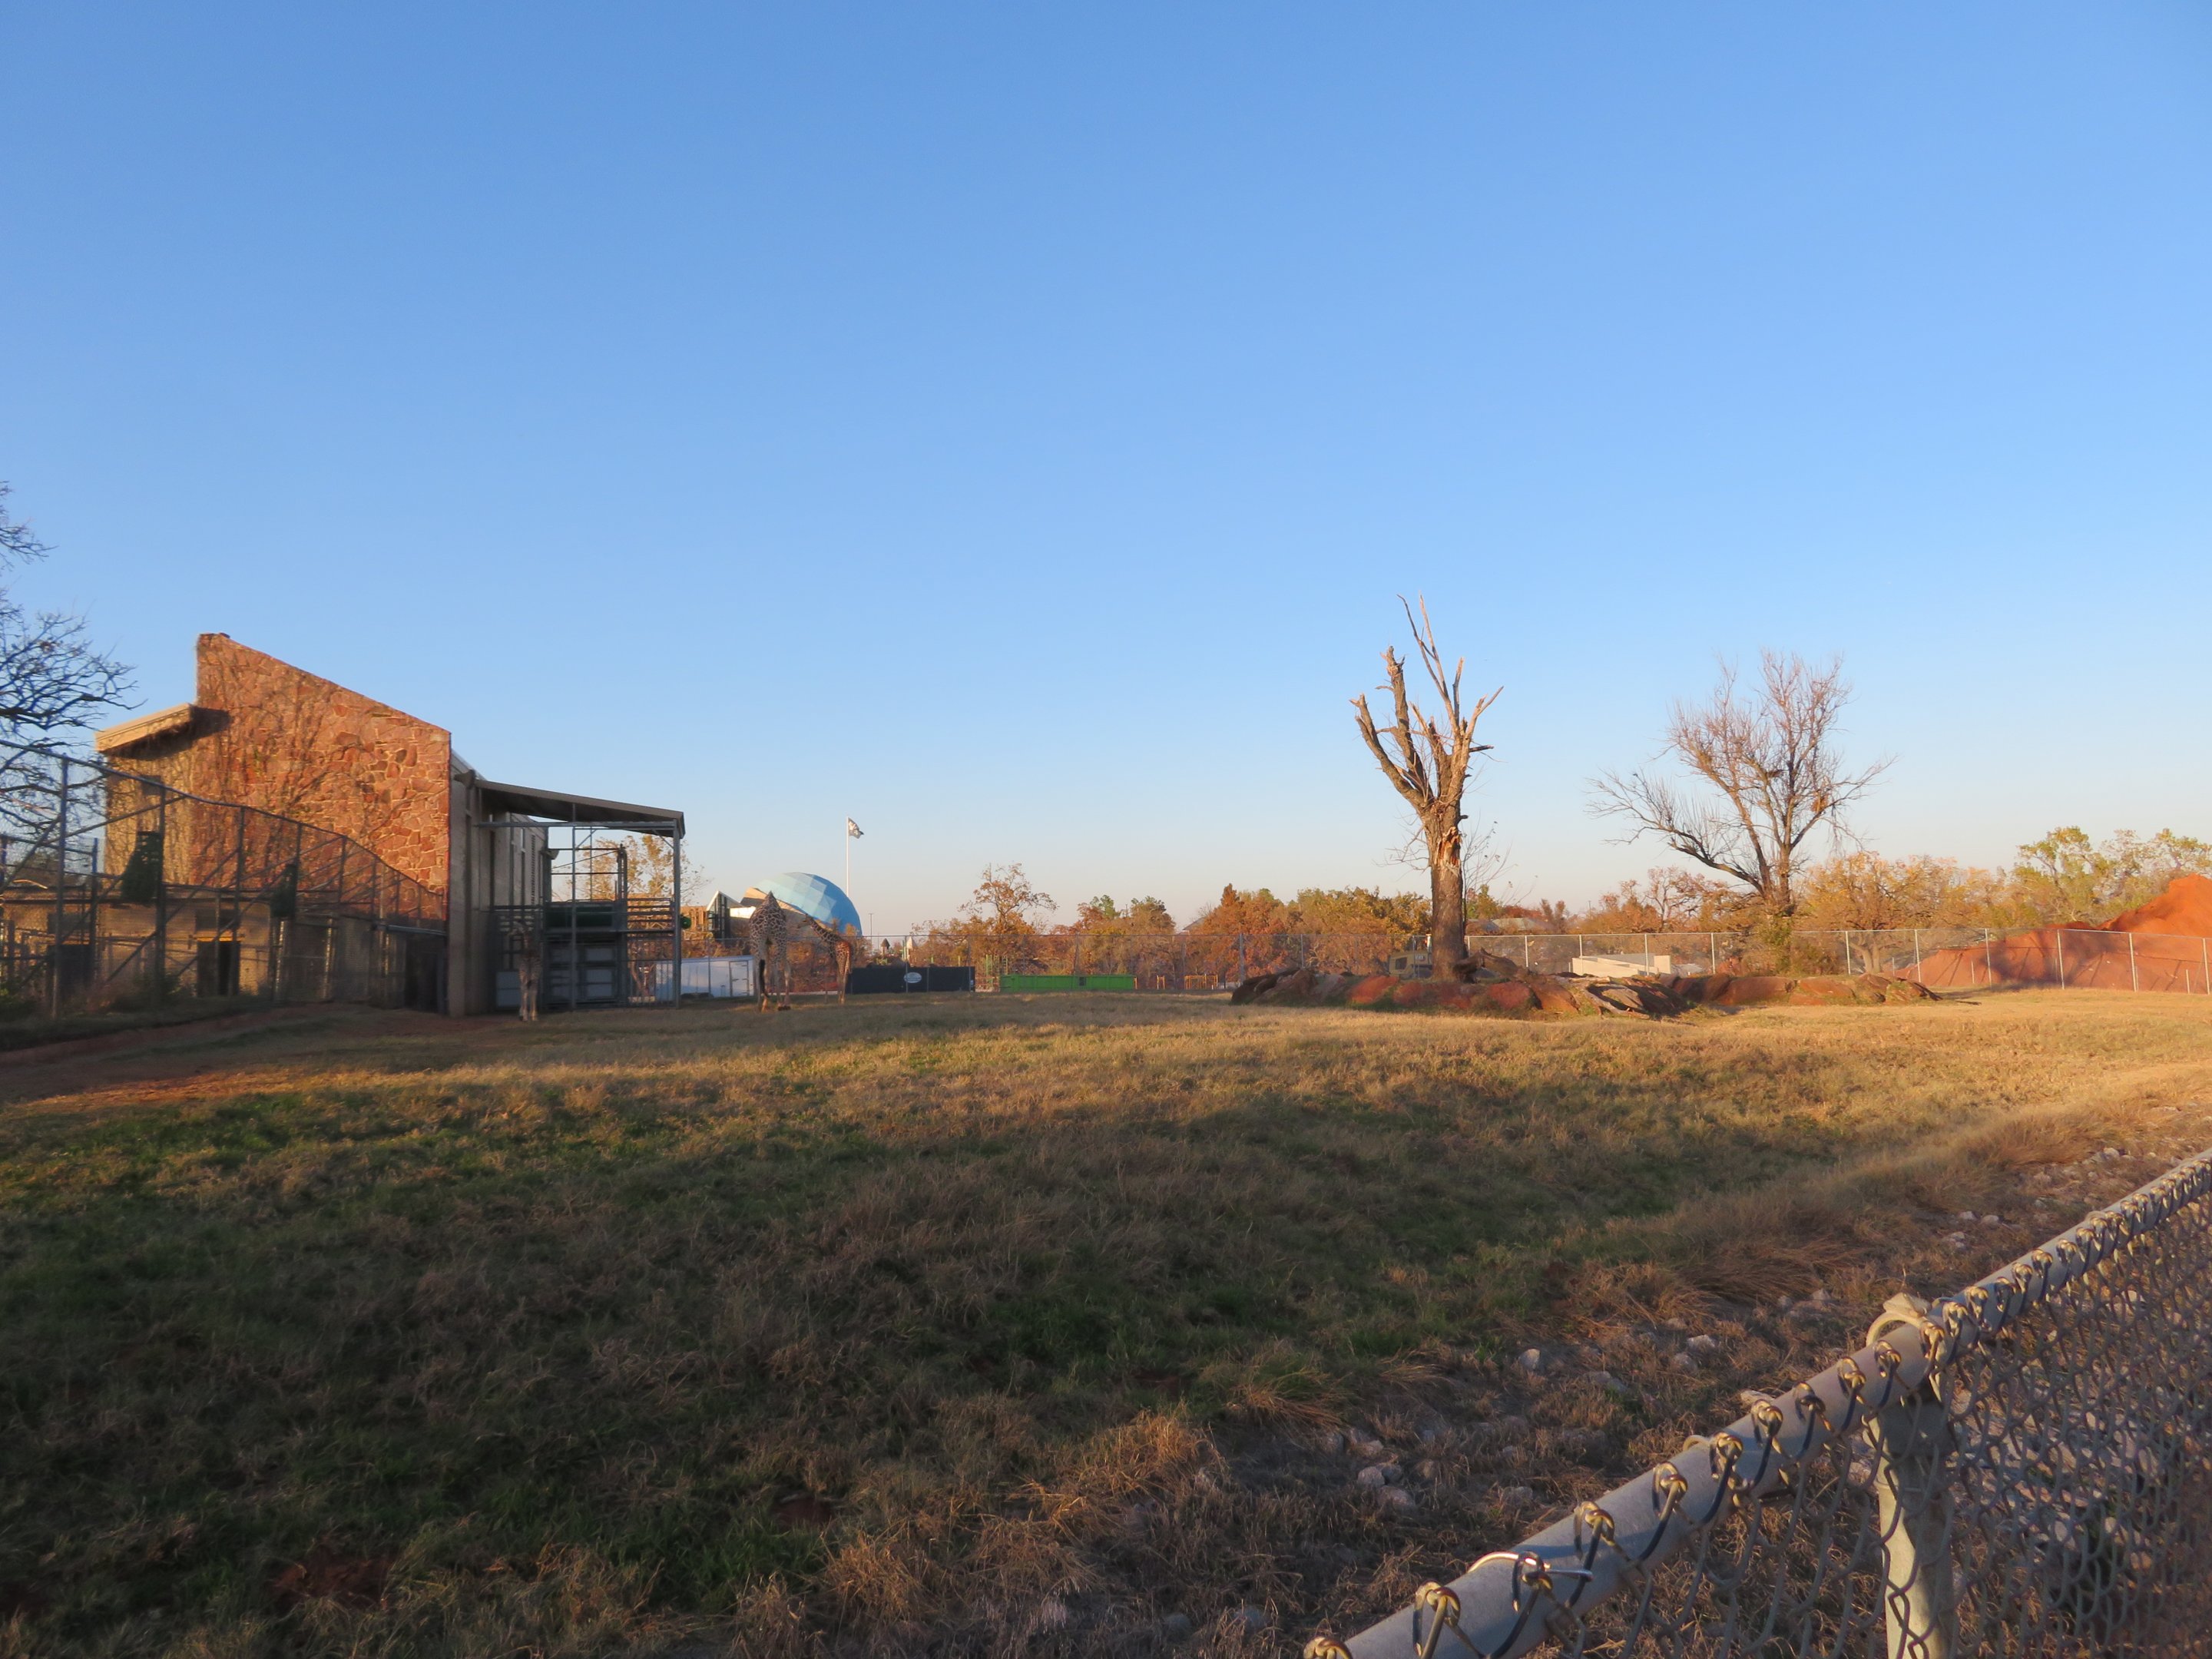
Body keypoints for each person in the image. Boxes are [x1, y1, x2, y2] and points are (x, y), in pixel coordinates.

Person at [517, 950, 540, 1022]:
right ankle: (528, 1014)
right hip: (528, 980)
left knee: (527, 997)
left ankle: (526, 1014)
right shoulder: (533, 961)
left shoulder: (530, 961)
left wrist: (530, 979)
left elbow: (523, 971)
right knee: (527, 997)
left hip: (528, 980)